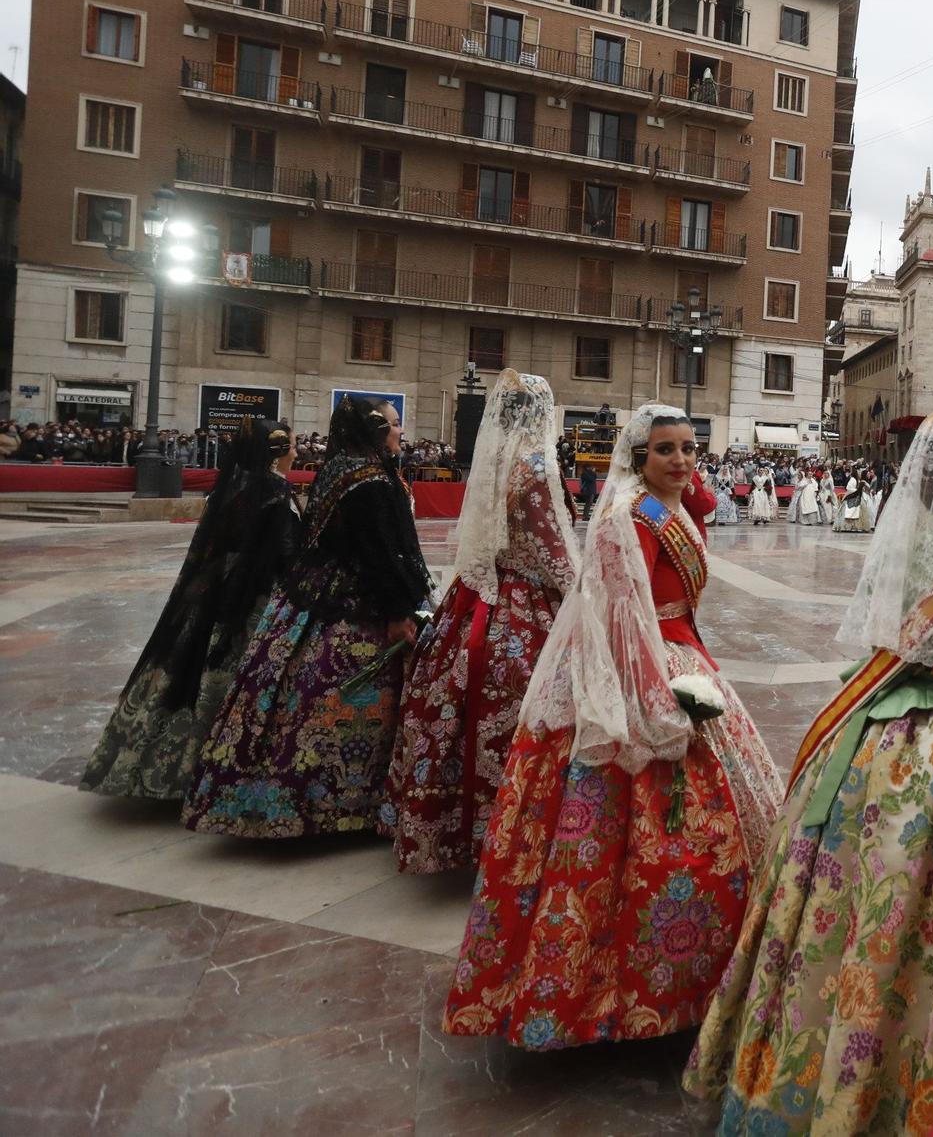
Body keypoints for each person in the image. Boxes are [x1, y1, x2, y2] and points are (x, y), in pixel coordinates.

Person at [686, 414, 933, 1131]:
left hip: (873, 739)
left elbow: (886, 643)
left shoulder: (900, 541)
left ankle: (818, 1064)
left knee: (845, 907)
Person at [444, 405, 781, 1049]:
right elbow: (624, 617)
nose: (681, 460)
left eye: (689, 448)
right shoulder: (630, 520)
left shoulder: (670, 505)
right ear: (638, 457)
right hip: (648, 666)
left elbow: (700, 504)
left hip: (683, 649)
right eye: (665, 450)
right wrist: (655, 703)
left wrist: (682, 481)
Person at [183, 399, 431, 837]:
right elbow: (380, 553)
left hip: (310, 598)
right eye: (394, 426)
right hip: (355, 606)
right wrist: (399, 609)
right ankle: (337, 805)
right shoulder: (371, 480)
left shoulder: (337, 470)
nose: (400, 433)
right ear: (374, 432)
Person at [382, 372, 575, 874]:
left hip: (478, 598)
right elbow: (552, 551)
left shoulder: (492, 462)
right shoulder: (534, 467)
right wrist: (583, 595)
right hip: (525, 602)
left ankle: (446, 829)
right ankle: (519, 833)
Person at [81, 421, 300, 801]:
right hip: (254, 596)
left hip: (213, 589)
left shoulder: (230, 487)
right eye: (293, 446)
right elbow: (286, 552)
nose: (297, 452)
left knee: (188, 669)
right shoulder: (275, 490)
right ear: (278, 451)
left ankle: (163, 763)